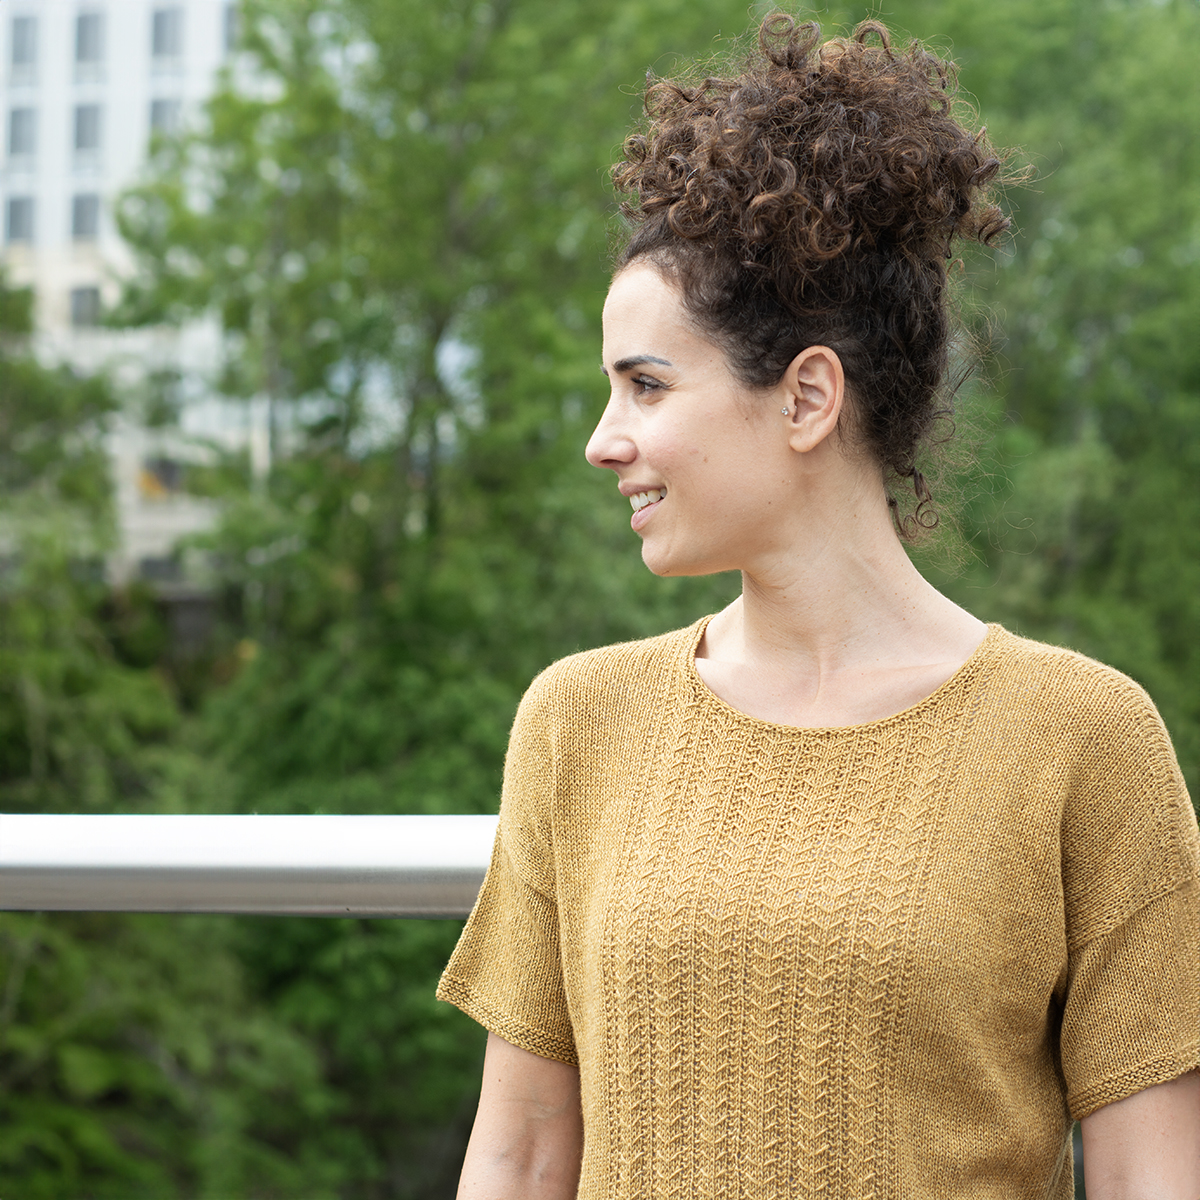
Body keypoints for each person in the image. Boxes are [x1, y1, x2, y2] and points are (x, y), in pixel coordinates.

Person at [437, 14, 1200, 1198]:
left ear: (806, 398)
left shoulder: (1083, 741)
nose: (604, 440)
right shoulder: (576, 723)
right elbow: (522, 1155)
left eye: (647, 386)